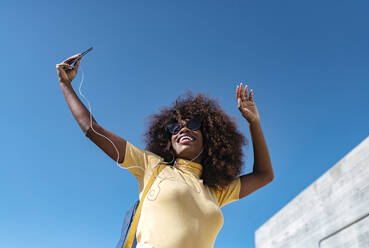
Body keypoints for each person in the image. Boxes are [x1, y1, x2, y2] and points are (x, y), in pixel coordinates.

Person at [56, 54, 274, 248]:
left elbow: (264, 175)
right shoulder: (151, 166)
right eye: (175, 128)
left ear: (210, 137)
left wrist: (254, 123)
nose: (183, 129)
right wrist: (65, 84)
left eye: (193, 124)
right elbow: (92, 129)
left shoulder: (216, 191)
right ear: (169, 140)